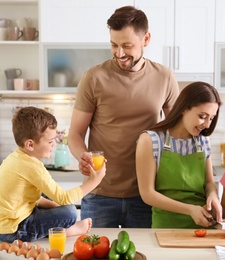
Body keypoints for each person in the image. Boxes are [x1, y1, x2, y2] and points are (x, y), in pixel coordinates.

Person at [67, 5, 180, 228]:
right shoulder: (94, 77)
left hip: (147, 193)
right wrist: (83, 156)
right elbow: (75, 134)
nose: (119, 53)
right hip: (99, 193)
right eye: (114, 45)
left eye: (127, 45)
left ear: (146, 39)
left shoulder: (164, 77)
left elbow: (178, 132)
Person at [0, 106, 106, 243]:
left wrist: (55, 206)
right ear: (30, 144)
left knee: (46, 194)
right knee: (70, 212)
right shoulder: (32, 166)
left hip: (2, 226)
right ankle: (65, 231)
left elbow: (32, 197)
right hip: (14, 230)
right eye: (50, 141)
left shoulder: (16, 158)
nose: (54, 144)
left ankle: (52, 226)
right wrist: (95, 180)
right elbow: (64, 198)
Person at [135, 81, 223, 228]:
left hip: (203, 225)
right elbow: (147, 194)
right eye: (202, 116)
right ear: (184, 109)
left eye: (211, 118)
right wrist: (190, 210)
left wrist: (212, 195)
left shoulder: (203, 141)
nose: (207, 124)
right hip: (165, 226)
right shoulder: (151, 140)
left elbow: (209, 183)